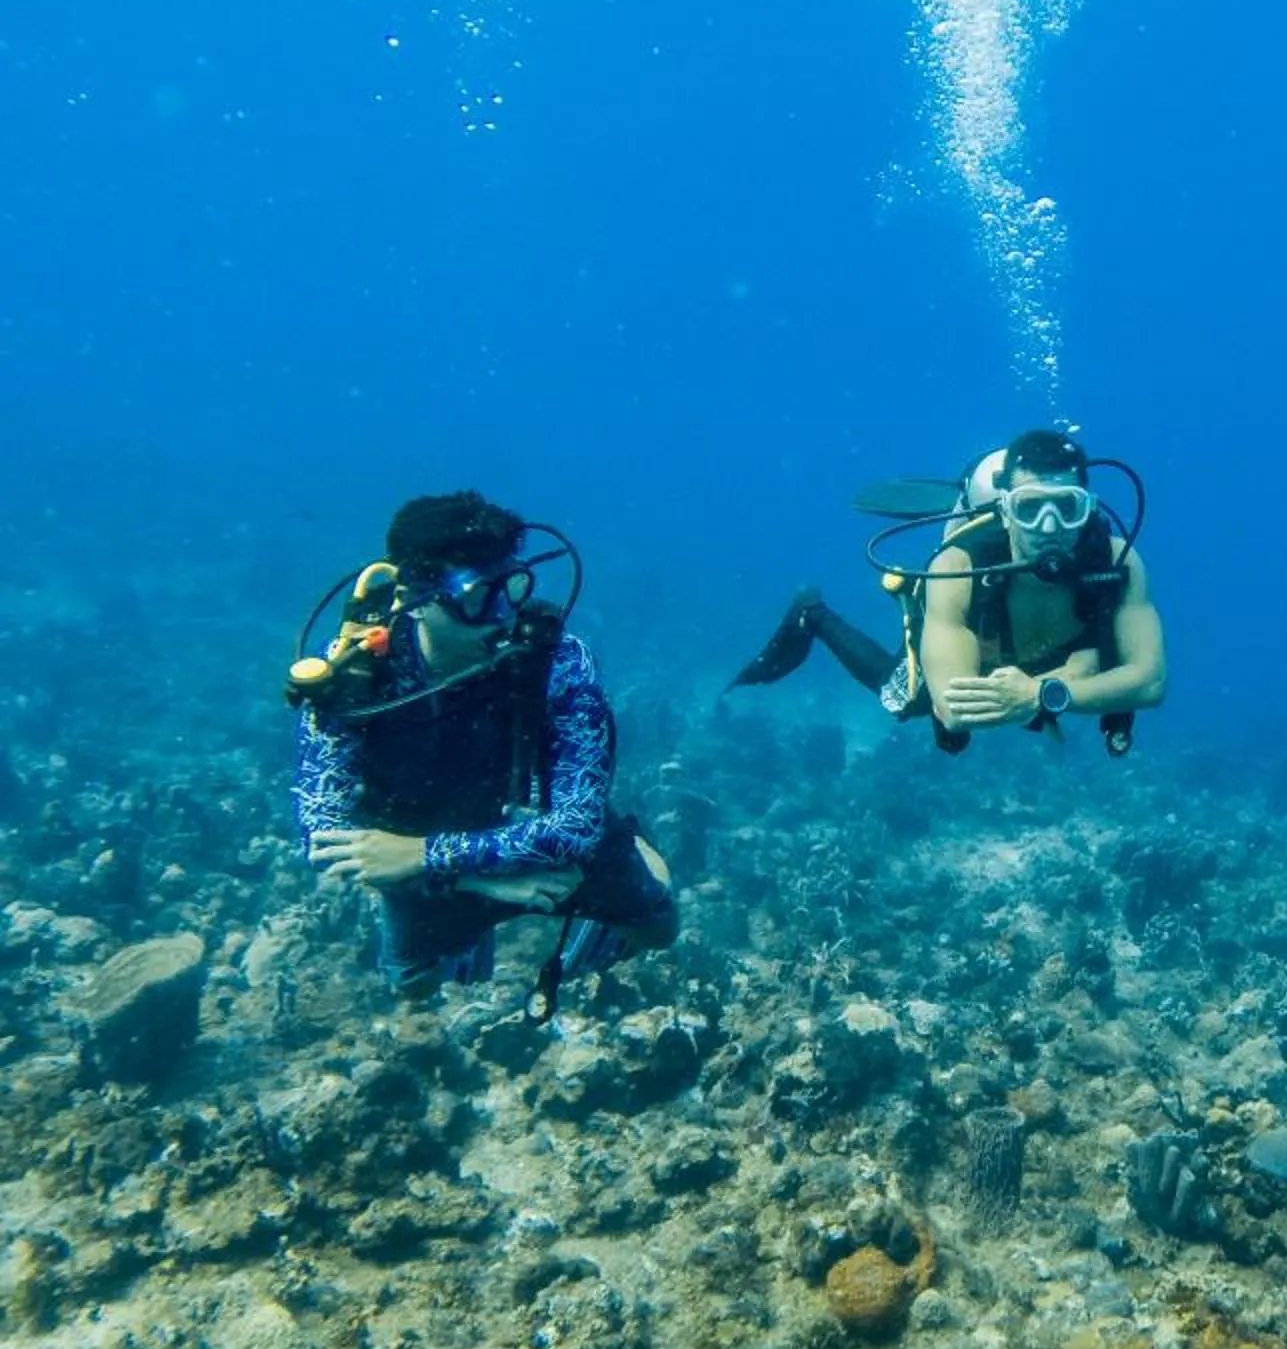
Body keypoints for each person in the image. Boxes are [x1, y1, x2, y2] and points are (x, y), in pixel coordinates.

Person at [293, 490, 677, 1015]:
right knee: (412, 986)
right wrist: (485, 882)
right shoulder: (354, 674)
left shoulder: (557, 657)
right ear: (416, 596)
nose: (502, 616)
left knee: (659, 927)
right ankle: (476, 918)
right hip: (445, 852)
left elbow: (576, 828)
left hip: (528, 827)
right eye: (477, 596)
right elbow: (321, 831)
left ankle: (638, 852)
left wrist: (421, 856)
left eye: (512, 588)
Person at [730, 427, 1167, 755]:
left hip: (1042, 663)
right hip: (990, 645)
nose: (1049, 527)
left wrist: (1041, 694)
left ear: (1085, 507)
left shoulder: (1118, 561)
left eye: (1066, 507)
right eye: (1030, 507)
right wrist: (1074, 681)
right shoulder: (959, 565)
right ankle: (813, 613)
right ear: (1005, 510)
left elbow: (1151, 683)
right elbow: (954, 707)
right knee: (906, 701)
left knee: (1093, 659)